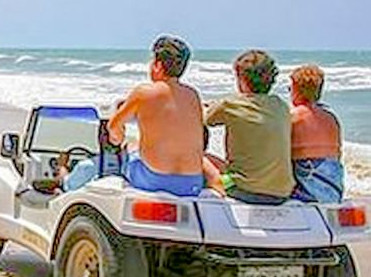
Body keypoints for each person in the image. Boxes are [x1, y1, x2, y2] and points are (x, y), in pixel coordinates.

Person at [51, 36, 206, 196]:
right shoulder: (193, 95)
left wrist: (120, 139)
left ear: (158, 65)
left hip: (153, 179)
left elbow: (113, 128)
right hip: (191, 181)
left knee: (130, 148)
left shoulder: (144, 92)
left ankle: (66, 181)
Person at [204, 50, 294, 204]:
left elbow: (204, 119)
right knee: (224, 164)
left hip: (243, 190)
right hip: (282, 193)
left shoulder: (230, 105)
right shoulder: (281, 106)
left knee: (200, 157)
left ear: (242, 79)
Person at [289, 65, 344, 203]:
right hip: (333, 187)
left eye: (290, 89)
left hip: (308, 186)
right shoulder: (331, 118)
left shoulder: (294, 116)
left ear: (297, 89)